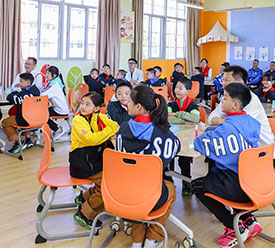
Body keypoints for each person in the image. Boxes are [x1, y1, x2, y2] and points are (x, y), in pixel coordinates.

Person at [192, 83, 263, 247]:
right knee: (217, 175)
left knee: (197, 185)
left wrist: (209, 133)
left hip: (237, 184)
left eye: (224, 98)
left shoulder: (226, 129)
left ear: (235, 105)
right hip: (254, 181)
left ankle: (233, 226)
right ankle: (248, 219)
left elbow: (199, 144)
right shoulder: (252, 122)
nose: (220, 102)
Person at [115, 85, 180, 248]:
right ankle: (153, 239)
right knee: (170, 188)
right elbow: (174, 149)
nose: (127, 104)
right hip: (151, 195)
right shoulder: (165, 135)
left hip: (122, 193)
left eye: (129, 101)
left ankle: (137, 242)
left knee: (136, 188)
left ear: (138, 107)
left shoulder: (122, 130)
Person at [207, 66, 275, 162]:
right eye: (222, 80)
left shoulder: (250, 99)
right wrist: (226, 122)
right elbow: (211, 117)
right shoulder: (228, 97)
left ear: (239, 82)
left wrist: (226, 122)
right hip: (243, 150)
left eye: (226, 80)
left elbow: (239, 129)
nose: (223, 83)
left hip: (264, 154)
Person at [70, 92, 119, 230]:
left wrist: (111, 129)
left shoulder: (98, 116)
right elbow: (91, 139)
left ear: (96, 108)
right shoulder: (77, 120)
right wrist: (109, 131)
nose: (83, 107)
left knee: (108, 179)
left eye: (87, 104)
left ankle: (83, 198)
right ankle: (84, 214)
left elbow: (115, 124)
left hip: (92, 160)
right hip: (81, 163)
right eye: (82, 103)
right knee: (108, 188)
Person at [168, 77, 200, 195]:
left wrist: (176, 115)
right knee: (168, 155)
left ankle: (186, 183)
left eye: (180, 88)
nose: (177, 90)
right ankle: (168, 181)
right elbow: (166, 117)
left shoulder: (192, 105)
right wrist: (185, 120)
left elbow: (195, 118)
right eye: (176, 87)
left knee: (184, 160)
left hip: (188, 137)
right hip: (173, 135)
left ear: (188, 91)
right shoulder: (172, 104)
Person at [2, 72, 41, 153]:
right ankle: (28, 139)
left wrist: (14, 93)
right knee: (17, 114)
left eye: (21, 82)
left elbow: (10, 98)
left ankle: (18, 142)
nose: (19, 84)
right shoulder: (36, 91)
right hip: (38, 119)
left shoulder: (24, 95)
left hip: (25, 119)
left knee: (5, 122)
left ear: (28, 83)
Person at [41, 66, 68, 140]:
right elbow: (43, 89)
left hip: (60, 110)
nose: (46, 75)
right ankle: (55, 128)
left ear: (54, 75)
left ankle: (57, 129)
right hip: (58, 108)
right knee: (43, 112)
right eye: (46, 73)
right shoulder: (51, 82)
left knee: (42, 115)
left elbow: (43, 94)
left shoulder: (54, 85)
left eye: (48, 73)